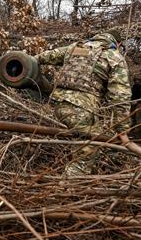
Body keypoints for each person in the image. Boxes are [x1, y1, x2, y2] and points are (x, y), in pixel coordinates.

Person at [35, 31, 131, 175]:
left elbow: (43, 57)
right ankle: (66, 190)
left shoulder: (75, 47)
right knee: (84, 157)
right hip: (81, 111)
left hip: (56, 105)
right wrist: (122, 129)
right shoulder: (114, 57)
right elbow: (120, 96)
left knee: (94, 136)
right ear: (118, 44)